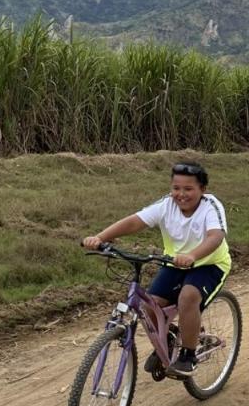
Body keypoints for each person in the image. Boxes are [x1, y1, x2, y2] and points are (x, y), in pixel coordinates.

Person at [83, 161, 231, 375]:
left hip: (209, 264)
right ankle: (170, 338)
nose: (181, 194)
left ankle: (188, 355)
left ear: (202, 190)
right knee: (149, 305)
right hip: (174, 264)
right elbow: (135, 222)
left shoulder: (210, 206)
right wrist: (100, 238)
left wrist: (192, 255)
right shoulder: (166, 205)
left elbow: (215, 236)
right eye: (176, 188)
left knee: (188, 298)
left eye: (188, 189)